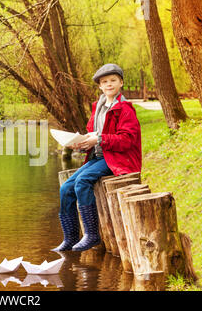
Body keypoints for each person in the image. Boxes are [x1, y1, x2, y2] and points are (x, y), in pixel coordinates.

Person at [52, 63, 142, 252]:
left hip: (118, 159)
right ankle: (70, 237)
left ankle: (92, 235)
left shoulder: (125, 109)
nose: (109, 84)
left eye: (113, 80)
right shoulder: (98, 107)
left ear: (121, 83)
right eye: (104, 82)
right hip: (99, 157)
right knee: (66, 188)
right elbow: (92, 134)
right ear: (100, 86)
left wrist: (98, 139)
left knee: (82, 181)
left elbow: (127, 140)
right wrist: (81, 143)